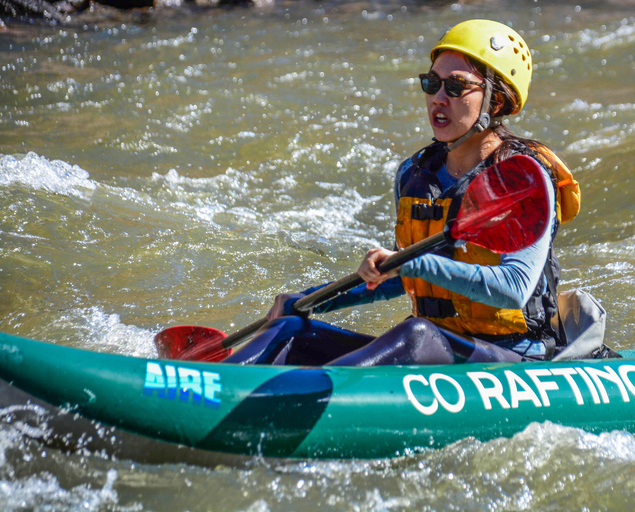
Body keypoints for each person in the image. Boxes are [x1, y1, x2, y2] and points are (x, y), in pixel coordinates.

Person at [224, 19, 580, 367]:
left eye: (456, 87)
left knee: (416, 333)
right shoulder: (415, 175)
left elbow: (513, 288)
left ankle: (294, 400)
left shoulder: (522, 178)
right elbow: (404, 277)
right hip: (437, 347)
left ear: (497, 102)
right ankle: (213, 382)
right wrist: (311, 301)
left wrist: (414, 262)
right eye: (431, 83)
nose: (438, 98)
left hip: (512, 357)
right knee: (289, 329)